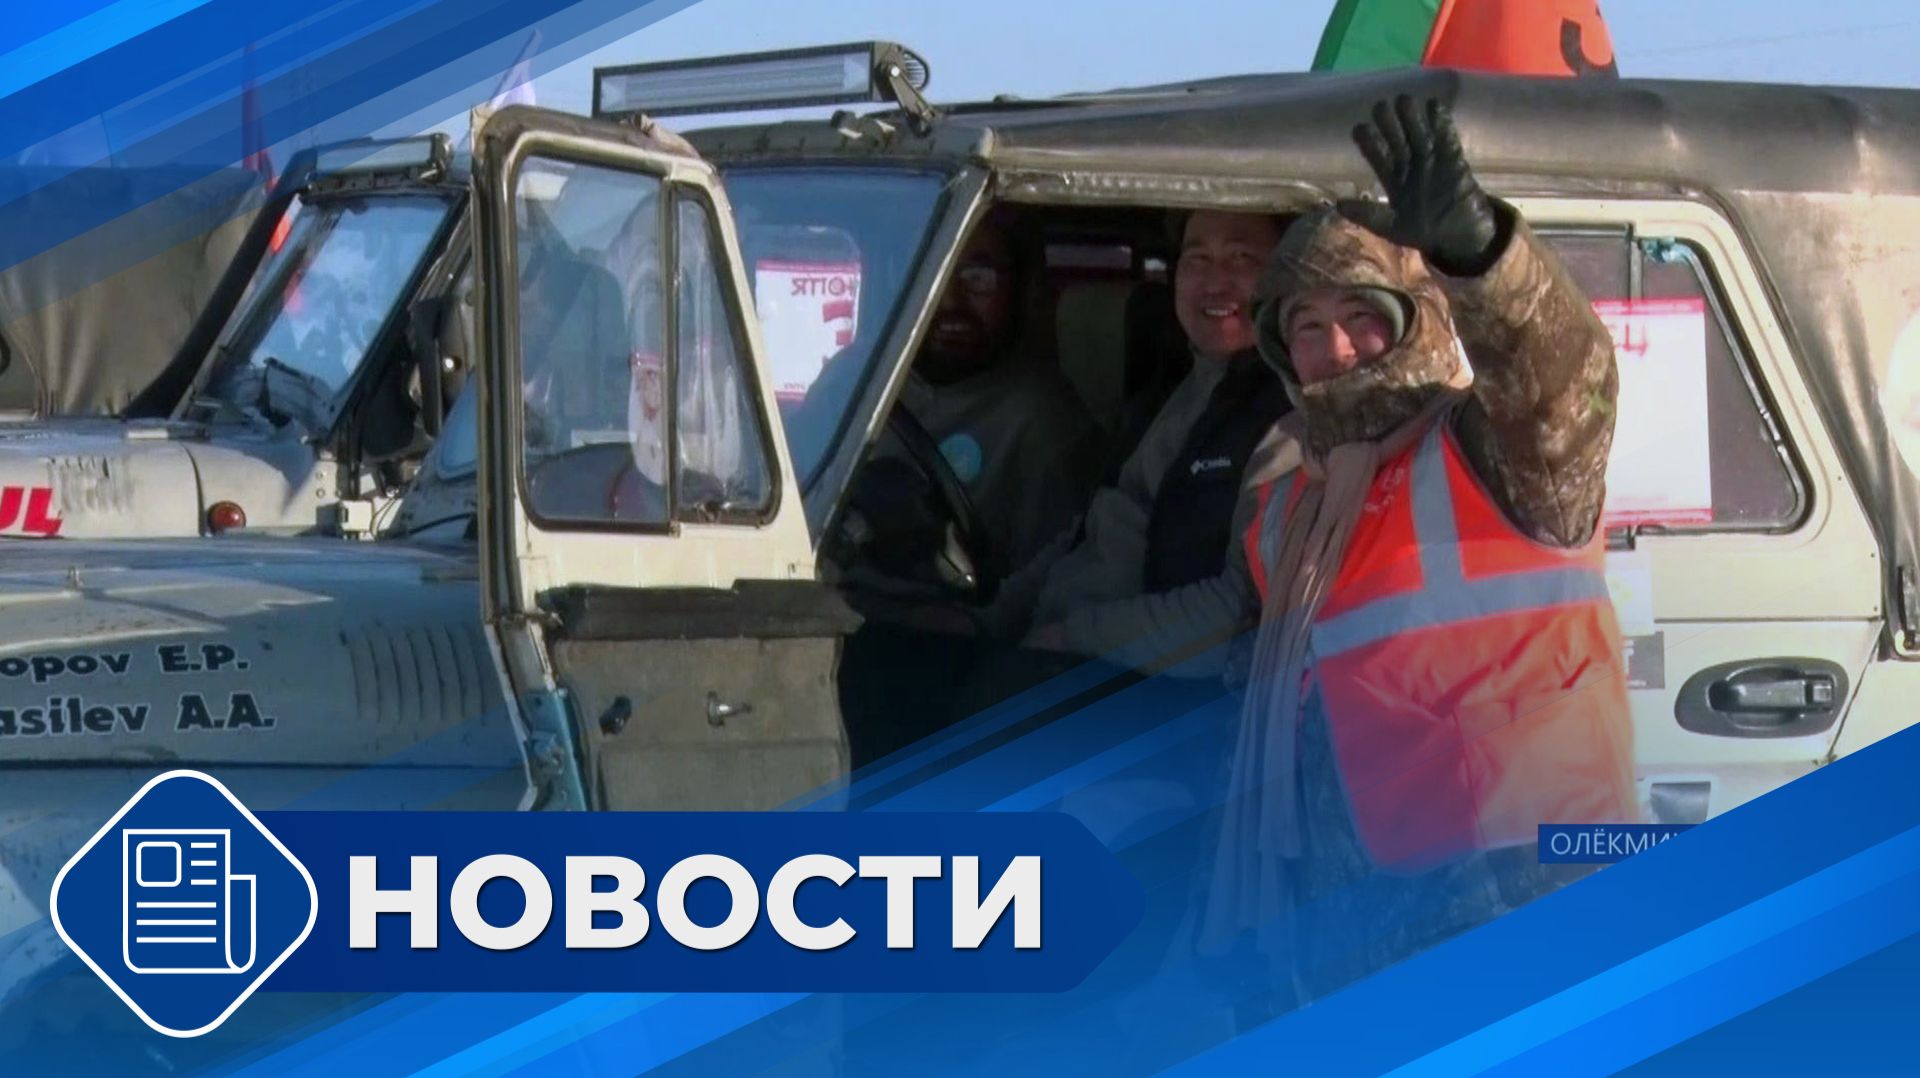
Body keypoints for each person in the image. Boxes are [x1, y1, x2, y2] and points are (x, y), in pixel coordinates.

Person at [1202, 95, 1638, 1004]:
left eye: (1364, 315)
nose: (1335, 347)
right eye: (1305, 325)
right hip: (1355, 902)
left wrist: (1479, 254)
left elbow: (1563, 378)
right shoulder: (1287, 501)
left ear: (1423, 317)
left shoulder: (1501, 456)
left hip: (1525, 894)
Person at [991, 209, 1298, 672]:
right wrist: (989, 618)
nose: (1214, 282)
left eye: (1240, 259)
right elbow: (1089, 529)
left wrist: (1074, 638)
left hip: (1143, 687)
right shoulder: (1166, 389)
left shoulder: (1291, 418)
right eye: (1197, 259)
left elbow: (1246, 611)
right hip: (1059, 653)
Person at [893, 214, 1106, 572]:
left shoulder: (1045, 421)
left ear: (1022, 290)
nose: (949, 301)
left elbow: (1043, 584)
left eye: (978, 278)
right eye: (930, 275)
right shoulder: (857, 383)